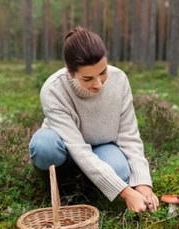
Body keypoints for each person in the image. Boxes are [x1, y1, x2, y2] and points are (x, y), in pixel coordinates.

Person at [28, 27, 159, 213]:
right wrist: (125, 192)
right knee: (43, 146)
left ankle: (93, 186)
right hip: (66, 151)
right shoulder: (53, 90)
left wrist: (142, 183)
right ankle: (60, 189)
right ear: (70, 72)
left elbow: (129, 136)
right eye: (88, 78)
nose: (98, 84)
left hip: (102, 147)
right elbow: (79, 150)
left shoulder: (119, 80)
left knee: (120, 170)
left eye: (103, 72)